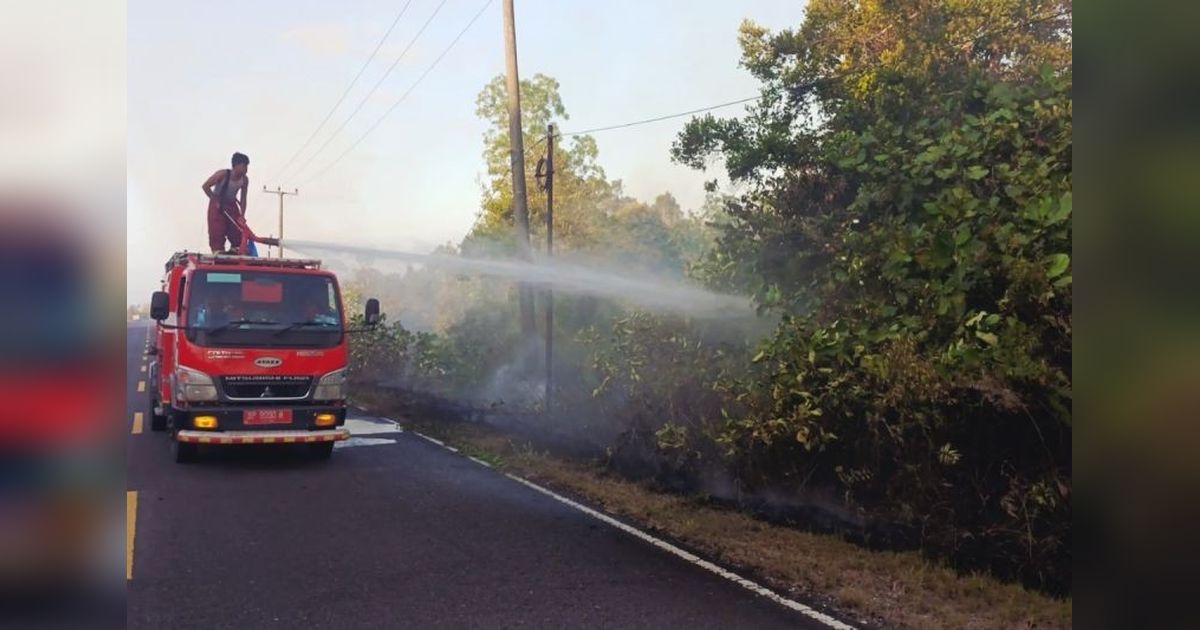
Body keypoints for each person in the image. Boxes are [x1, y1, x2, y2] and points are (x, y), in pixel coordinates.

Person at [202, 152, 250, 254]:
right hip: (217, 205)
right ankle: (218, 251)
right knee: (217, 230)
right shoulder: (222, 174)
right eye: (244, 165)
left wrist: (242, 215)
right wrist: (214, 200)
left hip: (232, 205)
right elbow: (205, 186)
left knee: (237, 229)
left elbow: (243, 198)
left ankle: (235, 249)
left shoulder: (244, 180)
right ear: (237, 165)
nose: (246, 169)